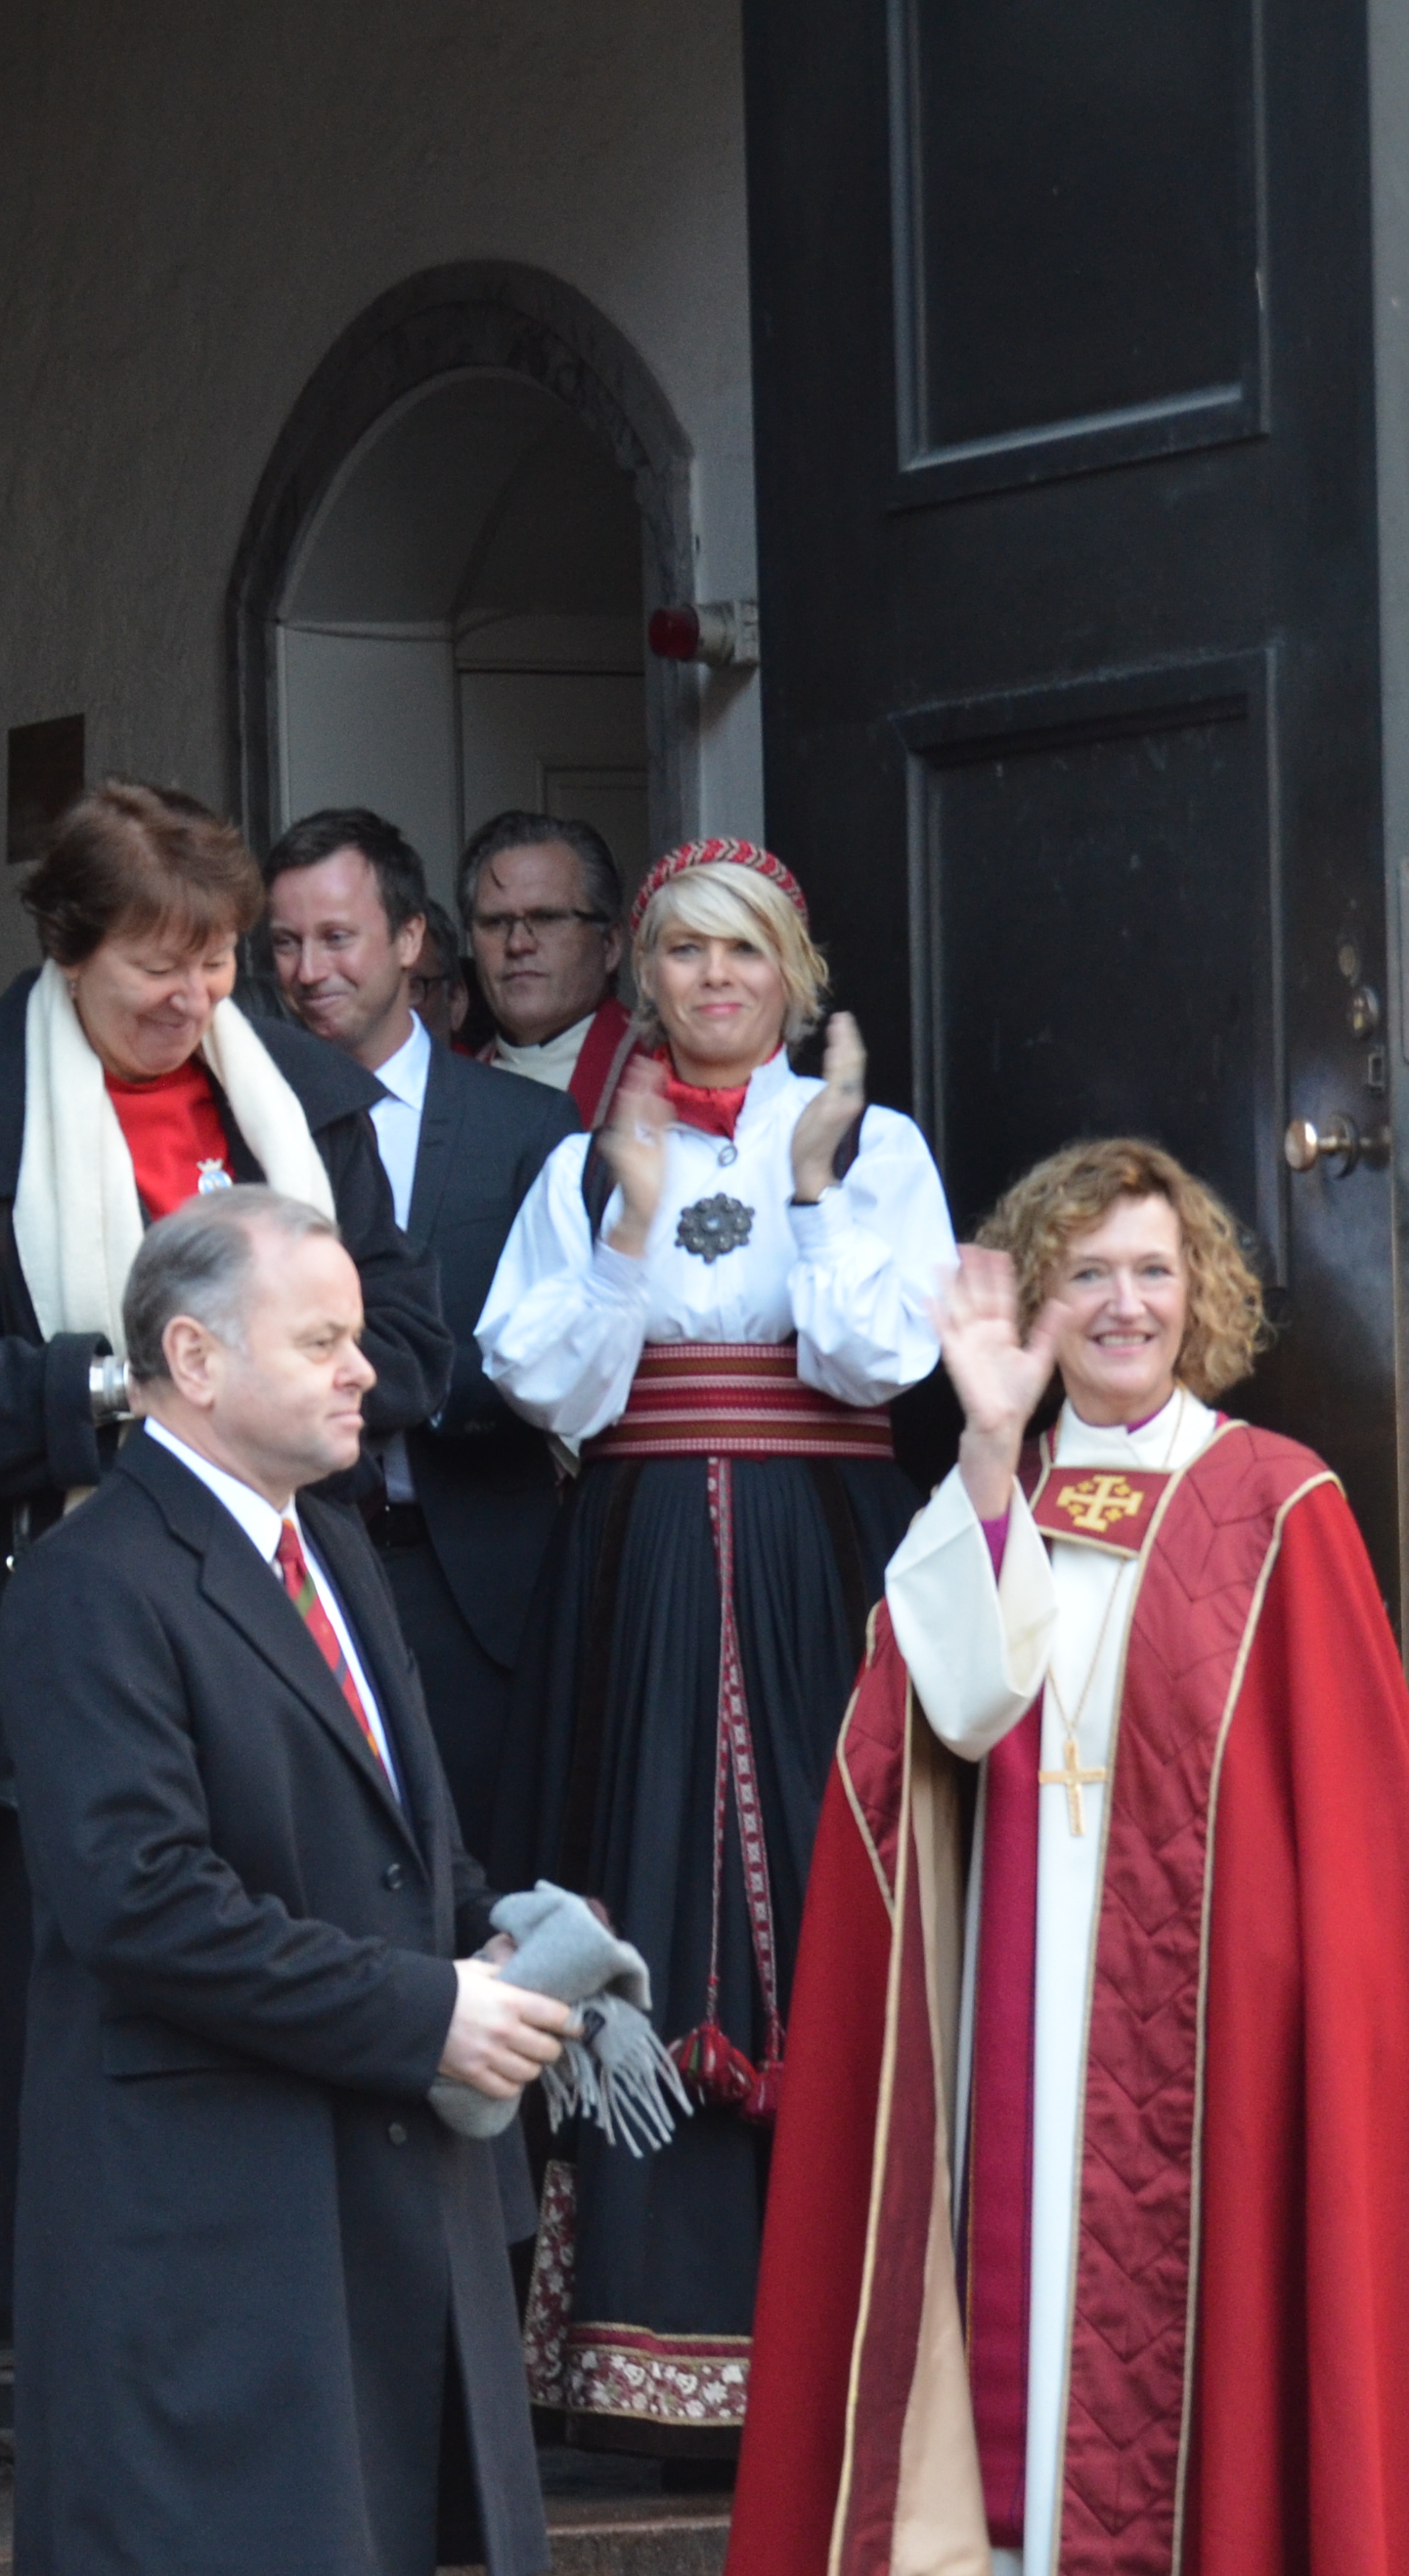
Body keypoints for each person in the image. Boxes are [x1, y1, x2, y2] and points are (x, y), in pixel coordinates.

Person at [714, 1138, 1409, 2576]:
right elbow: (957, 1710)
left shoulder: (1276, 1501)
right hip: (1026, 2048)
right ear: (1033, 1308)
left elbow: (1342, 1844)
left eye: (1150, 1271)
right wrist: (983, 1446)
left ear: (1199, 1291)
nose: (1121, 1306)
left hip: (1230, 2070)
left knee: (1246, 2375)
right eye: (1083, 1278)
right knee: (1047, 2397)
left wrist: (1296, 2048)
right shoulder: (1000, 1491)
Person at [0, 1188, 571, 2576]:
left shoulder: (333, 1550)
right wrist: (420, 2011)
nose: (365, 1367)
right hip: (190, 2221)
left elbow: (399, 1849)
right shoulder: (95, 1582)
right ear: (190, 1363)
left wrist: (504, 1948)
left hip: (362, 2201)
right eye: (322, 1338)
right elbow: (139, 1902)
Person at [0, 780, 448, 2338]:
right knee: (89, 1994)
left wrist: (290, 1382)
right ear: (66, 947)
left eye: (218, 961)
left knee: (297, 1955)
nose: (192, 999)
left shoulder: (297, 1103)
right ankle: (83, 2343)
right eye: (152, 968)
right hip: (63, 1610)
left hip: (292, 1619)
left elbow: (417, 1343)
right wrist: (137, 1390)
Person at [475, 838, 950, 2462]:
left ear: (789, 972)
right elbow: (546, 1386)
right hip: (642, 1564)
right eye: (682, 954)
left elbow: (879, 1350)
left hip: (821, 1563)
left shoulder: (872, 1147)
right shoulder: (585, 1157)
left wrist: (810, 1188)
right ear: (645, 977)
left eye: (742, 952)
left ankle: (853, 2338)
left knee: (841, 1896)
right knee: (651, 1890)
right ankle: (647, 2349)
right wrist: (622, 1217)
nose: (714, 981)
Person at [266, 806, 577, 1837]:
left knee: (491, 1881)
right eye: (284, 942)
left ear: (409, 943)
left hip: (475, 1583)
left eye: (336, 937)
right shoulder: (233, 1124)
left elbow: (560, 1345)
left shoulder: (523, 1128)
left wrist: (388, 1381)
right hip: (287, 1566)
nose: (308, 970)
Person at [457, 810, 640, 1116]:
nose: (518, 944)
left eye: (546, 918)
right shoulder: (449, 1092)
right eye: (496, 922)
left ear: (610, 944)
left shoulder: (668, 1069)